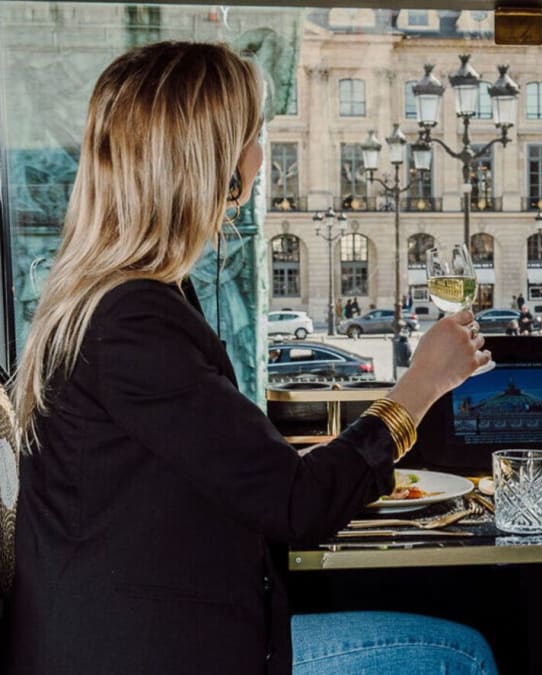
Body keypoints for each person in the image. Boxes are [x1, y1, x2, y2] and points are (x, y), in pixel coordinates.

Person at [4, 41, 496, 675]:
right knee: (462, 654)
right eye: (254, 135)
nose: (264, 155)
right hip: (156, 648)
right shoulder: (133, 320)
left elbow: (228, 469)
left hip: (140, 630)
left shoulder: (112, 300)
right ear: (215, 165)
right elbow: (297, 506)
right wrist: (419, 388)